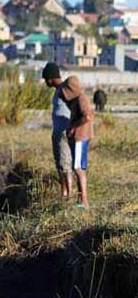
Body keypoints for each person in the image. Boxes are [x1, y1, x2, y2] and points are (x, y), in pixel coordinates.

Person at [60, 75, 94, 209]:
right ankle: (81, 200)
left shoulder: (81, 99)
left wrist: (73, 127)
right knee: (79, 167)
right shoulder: (76, 100)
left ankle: (84, 201)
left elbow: (87, 117)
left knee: (78, 168)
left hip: (81, 137)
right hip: (78, 138)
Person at [42, 62, 74, 199]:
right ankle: (64, 193)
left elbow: (77, 107)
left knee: (66, 164)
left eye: (45, 79)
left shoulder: (65, 89)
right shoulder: (57, 91)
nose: (45, 82)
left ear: (50, 78)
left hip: (64, 133)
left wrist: (71, 127)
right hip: (57, 132)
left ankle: (70, 195)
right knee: (60, 164)